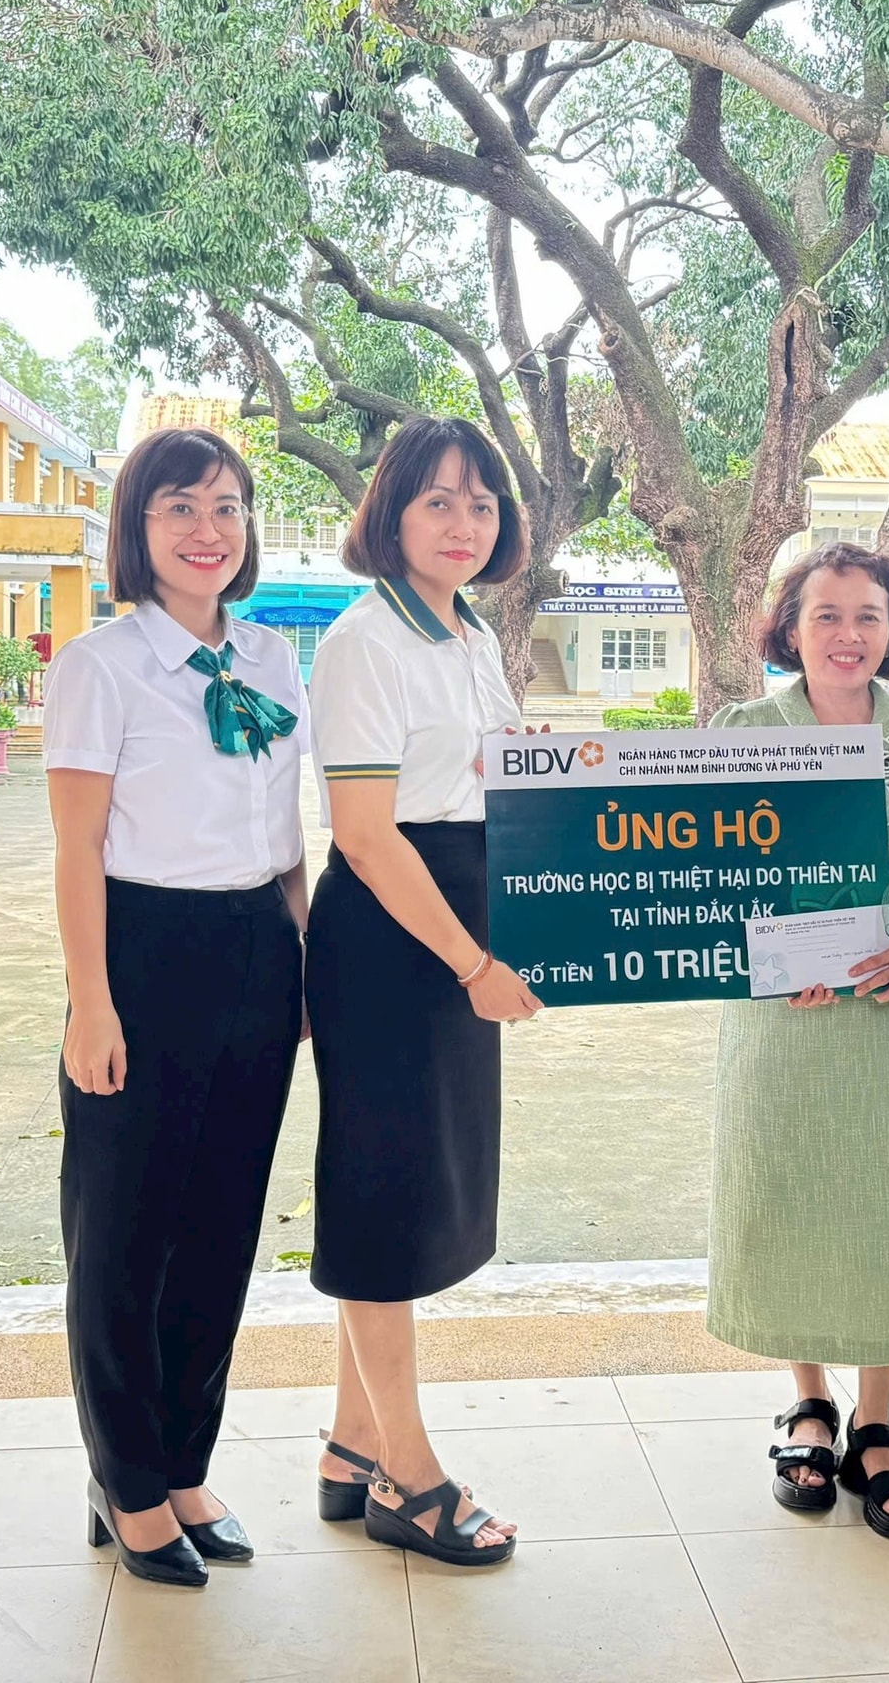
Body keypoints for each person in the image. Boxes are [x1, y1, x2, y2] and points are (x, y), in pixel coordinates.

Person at [45, 425, 309, 1587]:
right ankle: (127, 1482)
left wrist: (303, 960)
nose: (209, 531)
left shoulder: (272, 658)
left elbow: (284, 836)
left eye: (228, 507)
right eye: (181, 508)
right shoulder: (100, 667)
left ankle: (184, 1465)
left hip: (260, 947)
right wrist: (90, 1004)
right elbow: (76, 848)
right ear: (138, 527)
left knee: (222, 1227)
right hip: (144, 954)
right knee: (123, 1235)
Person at [304, 416, 542, 1569]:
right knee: (383, 1198)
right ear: (390, 512)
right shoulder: (364, 640)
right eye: (438, 499)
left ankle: (352, 1448)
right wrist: (471, 962)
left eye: (482, 502)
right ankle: (411, 1475)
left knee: (409, 1190)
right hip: (395, 940)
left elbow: (494, 781)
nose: (464, 522)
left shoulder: (470, 631)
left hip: (455, 925)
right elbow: (365, 834)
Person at [706, 542, 889, 1538]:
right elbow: (703, 874)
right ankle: (810, 1404)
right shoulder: (742, 731)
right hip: (782, 1023)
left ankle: (877, 1422)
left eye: (868, 616)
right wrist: (771, 958)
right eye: (827, 615)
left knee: (885, 1208)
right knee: (789, 1194)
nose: (848, 634)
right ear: (792, 626)